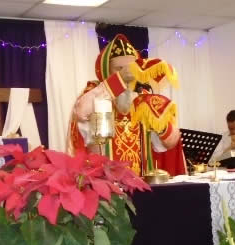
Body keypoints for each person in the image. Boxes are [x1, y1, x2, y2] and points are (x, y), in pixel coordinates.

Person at [69, 34, 186, 176]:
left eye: (131, 69)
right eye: (119, 69)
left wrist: (161, 126)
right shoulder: (94, 93)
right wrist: (119, 80)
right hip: (105, 183)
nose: (128, 75)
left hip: (141, 181)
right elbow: (81, 112)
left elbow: (170, 143)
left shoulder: (144, 99)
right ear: (106, 70)